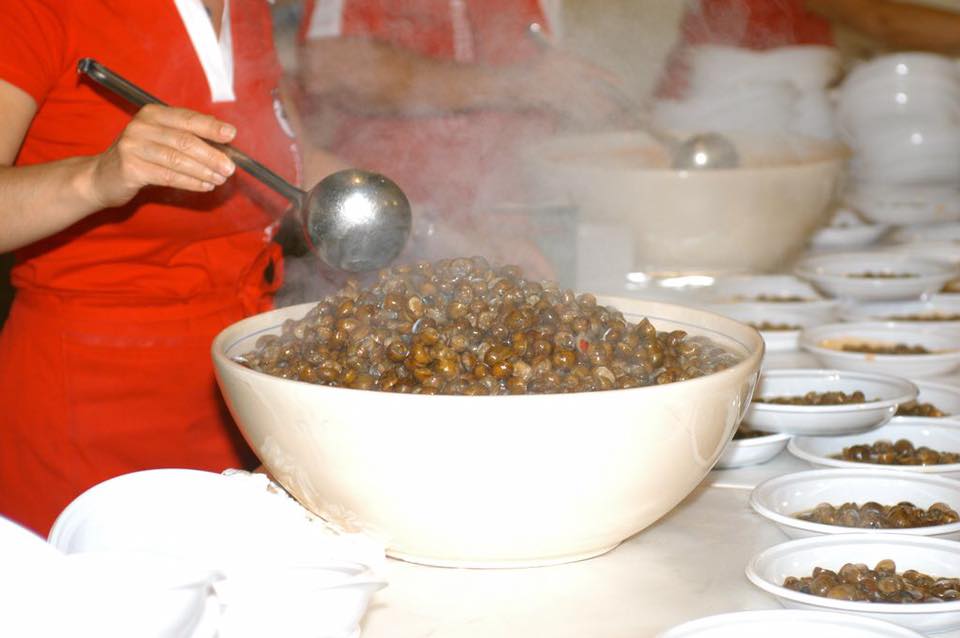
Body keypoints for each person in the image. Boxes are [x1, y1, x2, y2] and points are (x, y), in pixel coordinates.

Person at [0, 0, 335, 535]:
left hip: (244, 390)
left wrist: (433, 215)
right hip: (88, 410)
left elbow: (288, 163)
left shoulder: (248, 10)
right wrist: (97, 178)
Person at [292, 0, 635, 283]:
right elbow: (332, 67)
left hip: (503, 237)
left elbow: (537, 99)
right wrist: (516, 85)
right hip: (385, 241)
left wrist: (584, 105)